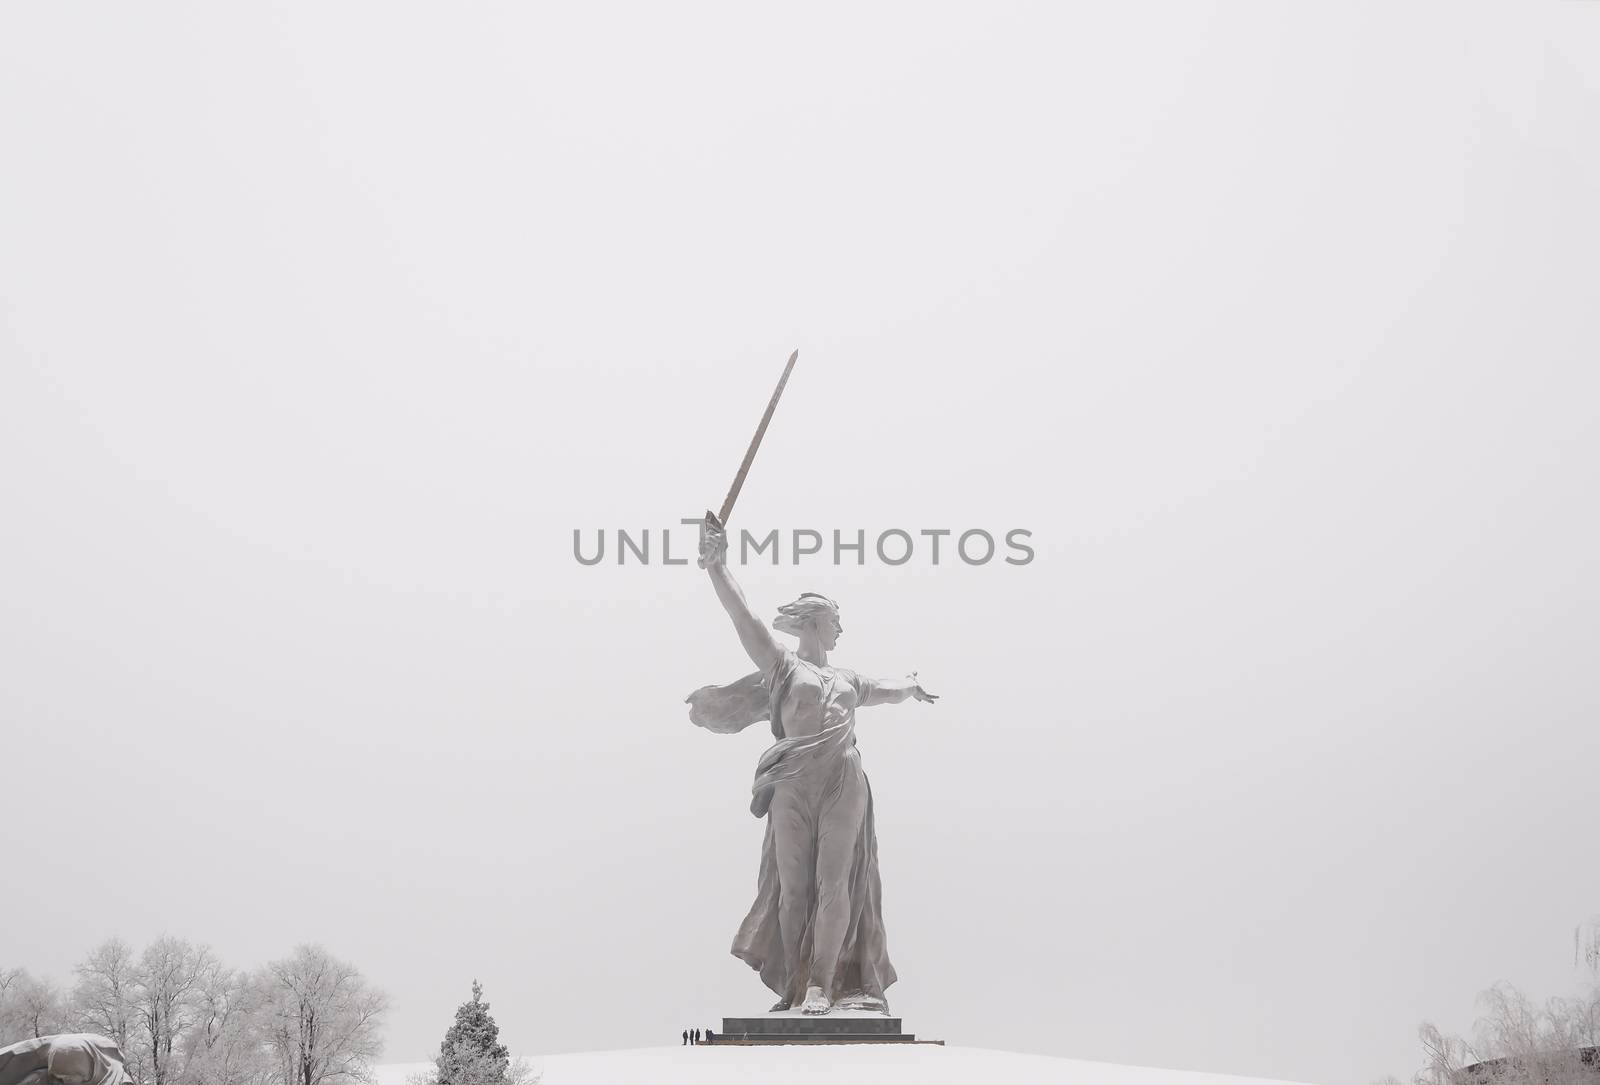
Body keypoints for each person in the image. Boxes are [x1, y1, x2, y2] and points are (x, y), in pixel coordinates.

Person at [687, 513, 937, 1016]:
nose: (842, 626)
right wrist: (717, 566)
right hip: (793, 782)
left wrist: (910, 685)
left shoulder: (849, 679)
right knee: (793, 887)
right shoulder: (782, 666)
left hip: (843, 780)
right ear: (813, 621)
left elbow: (889, 690)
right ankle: (796, 983)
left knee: (836, 880)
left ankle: (822, 985)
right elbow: (743, 619)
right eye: (835, 619)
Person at [0, 1035, 133, 1085]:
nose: (62, 1081)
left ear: (85, 1071)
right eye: (58, 1077)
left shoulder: (119, 1082)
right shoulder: (45, 1079)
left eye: (68, 1077)